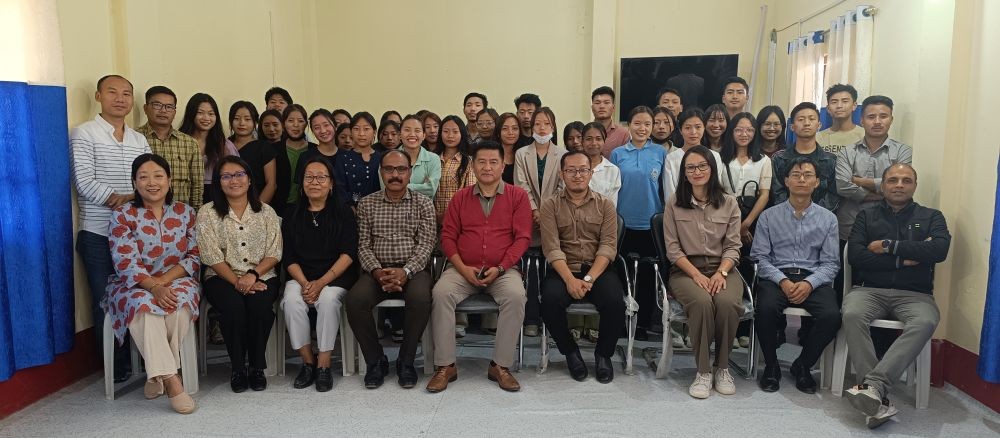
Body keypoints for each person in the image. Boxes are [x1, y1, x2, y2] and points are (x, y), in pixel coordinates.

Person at [843, 164, 951, 429]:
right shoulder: (867, 217)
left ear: (915, 185)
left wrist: (888, 246)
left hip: (915, 295)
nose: (899, 185)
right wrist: (906, 260)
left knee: (925, 321)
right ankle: (877, 394)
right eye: (893, 180)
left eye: (906, 180)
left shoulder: (931, 216)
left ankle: (873, 386)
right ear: (884, 185)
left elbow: (938, 250)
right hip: (869, 290)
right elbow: (857, 257)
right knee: (852, 313)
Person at [428, 142, 532, 393]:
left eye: (493, 162)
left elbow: (523, 238)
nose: (487, 167)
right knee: (441, 294)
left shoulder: (517, 196)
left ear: (502, 165)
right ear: (473, 165)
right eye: (481, 162)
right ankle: (446, 366)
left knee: (517, 296)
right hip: (463, 269)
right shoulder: (460, 197)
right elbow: (448, 238)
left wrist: (503, 267)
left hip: (503, 270)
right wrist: (462, 269)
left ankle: (500, 365)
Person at [71, 74, 152, 382]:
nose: (120, 98)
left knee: (137, 293)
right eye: (113, 92)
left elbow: (146, 179)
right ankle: (114, 365)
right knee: (105, 299)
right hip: (98, 232)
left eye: (126, 94)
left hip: (135, 234)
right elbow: (85, 182)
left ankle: (143, 359)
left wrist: (134, 196)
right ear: (98, 96)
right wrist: (129, 197)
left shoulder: (138, 140)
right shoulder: (84, 133)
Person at [106, 153, 199, 413]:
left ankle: (154, 374)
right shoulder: (122, 215)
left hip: (177, 278)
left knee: (179, 307)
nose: (152, 182)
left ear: (169, 180)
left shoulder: (186, 212)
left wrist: (164, 282)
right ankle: (172, 380)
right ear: (134, 182)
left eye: (158, 175)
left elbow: (195, 256)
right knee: (144, 308)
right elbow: (124, 261)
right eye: (143, 177)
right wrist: (152, 286)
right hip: (132, 284)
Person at [345, 150, 437, 389]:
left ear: (409, 172)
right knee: (355, 300)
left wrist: (405, 272)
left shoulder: (424, 204)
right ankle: (376, 361)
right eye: (389, 169)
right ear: (381, 172)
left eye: (401, 170)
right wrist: (377, 272)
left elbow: (426, 245)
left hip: (414, 271)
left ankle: (406, 362)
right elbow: (363, 245)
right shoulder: (367, 203)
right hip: (377, 271)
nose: (395, 175)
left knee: (420, 298)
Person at [751, 156, 841, 394]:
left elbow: (831, 263)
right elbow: (759, 257)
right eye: (796, 175)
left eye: (808, 175)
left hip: (813, 277)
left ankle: (803, 364)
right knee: (766, 308)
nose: (802, 179)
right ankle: (771, 366)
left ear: (817, 182)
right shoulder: (768, 216)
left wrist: (810, 284)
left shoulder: (828, 219)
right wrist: (782, 280)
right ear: (786, 181)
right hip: (776, 276)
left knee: (832, 315)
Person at [662, 146, 743, 399]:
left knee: (727, 303)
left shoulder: (729, 202)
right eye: (691, 168)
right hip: (686, 271)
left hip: (723, 269)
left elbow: (733, 246)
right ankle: (704, 371)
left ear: (712, 169)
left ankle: (723, 368)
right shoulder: (674, 203)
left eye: (702, 166)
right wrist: (696, 275)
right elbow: (673, 249)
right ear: (684, 173)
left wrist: (720, 273)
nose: (697, 172)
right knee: (701, 302)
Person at [197, 156, 282, 393]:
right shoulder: (207, 212)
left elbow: (275, 252)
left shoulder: (266, 212)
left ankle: (256, 367)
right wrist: (237, 281)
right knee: (233, 307)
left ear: (249, 179)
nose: (233, 180)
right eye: (226, 176)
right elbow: (211, 256)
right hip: (221, 276)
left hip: (262, 275)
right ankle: (237, 367)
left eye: (239, 175)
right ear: (218, 182)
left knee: (260, 306)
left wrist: (252, 276)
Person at [539, 151, 624, 383]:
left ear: (590, 172)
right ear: (562, 174)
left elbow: (607, 247)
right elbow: (552, 248)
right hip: (563, 268)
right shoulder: (549, 206)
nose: (577, 175)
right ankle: (571, 353)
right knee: (549, 301)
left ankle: (603, 355)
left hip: (597, 269)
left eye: (583, 170)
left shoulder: (605, 205)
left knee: (615, 301)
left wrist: (588, 280)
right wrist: (569, 279)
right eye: (571, 170)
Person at [282, 156, 358, 392]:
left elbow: (348, 253)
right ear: (302, 183)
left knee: (327, 300)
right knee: (291, 300)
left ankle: (324, 363)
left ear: (331, 183)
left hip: (336, 275)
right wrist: (306, 283)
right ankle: (307, 361)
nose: (315, 182)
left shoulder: (344, 213)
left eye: (321, 177)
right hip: (301, 275)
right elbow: (289, 257)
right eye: (309, 177)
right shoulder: (292, 214)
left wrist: (322, 283)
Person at [609, 106, 667, 339]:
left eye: (647, 124)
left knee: (647, 275)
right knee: (622, 274)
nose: (642, 128)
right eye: (637, 123)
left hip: (651, 224)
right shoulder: (617, 153)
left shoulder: (660, 152)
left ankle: (643, 324)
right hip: (623, 223)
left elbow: (665, 187)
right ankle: (622, 322)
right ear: (629, 126)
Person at [514, 107, 566, 336]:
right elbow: (521, 185)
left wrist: (545, 212)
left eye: (546, 123)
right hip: (528, 218)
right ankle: (531, 319)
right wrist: (534, 210)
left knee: (553, 267)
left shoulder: (563, 154)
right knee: (530, 269)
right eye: (537, 124)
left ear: (553, 127)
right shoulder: (521, 153)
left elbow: (562, 187)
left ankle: (551, 318)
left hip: (555, 218)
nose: (541, 128)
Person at [835, 95, 913, 247]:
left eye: (883, 116)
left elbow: (901, 186)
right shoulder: (847, 152)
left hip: (891, 226)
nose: (877, 121)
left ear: (891, 119)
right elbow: (842, 186)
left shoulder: (903, 151)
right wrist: (882, 193)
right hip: (849, 227)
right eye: (871, 117)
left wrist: (860, 181)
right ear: (862, 121)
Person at [138, 86, 203, 208]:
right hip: (142, 216)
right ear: (145, 108)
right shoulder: (134, 138)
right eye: (157, 105)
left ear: (174, 112)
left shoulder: (189, 143)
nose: (163, 110)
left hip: (181, 216)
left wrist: (196, 214)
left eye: (169, 107)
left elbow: (197, 186)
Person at [771, 102, 839, 211]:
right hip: (785, 220)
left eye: (811, 119)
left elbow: (833, 195)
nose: (806, 123)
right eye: (801, 119)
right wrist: (793, 213)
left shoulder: (831, 160)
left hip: (820, 221)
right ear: (792, 127)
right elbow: (777, 193)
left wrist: (811, 215)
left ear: (819, 125)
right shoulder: (778, 159)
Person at [179, 93, 240, 203]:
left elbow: (236, 174)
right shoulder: (179, 141)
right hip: (184, 194)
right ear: (191, 114)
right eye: (200, 113)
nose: (206, 118)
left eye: (211, 114)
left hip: (216, 194)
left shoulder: (225, 145)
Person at [664, 108, 726, 203]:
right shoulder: (671, 158)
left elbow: (716, 187)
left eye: (698, 127)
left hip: (709, 209)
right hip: (680, 209)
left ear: (704, 128)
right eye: (687, 128)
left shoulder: (714, 156)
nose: (693, 132)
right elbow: (669, 192)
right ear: (680, 130)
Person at [229, 101, 277, 204]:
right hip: (228, 205)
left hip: (257, 205)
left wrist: (256, 208)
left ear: (255, 122)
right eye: (237, 119)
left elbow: (271, 184)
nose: (242, 123)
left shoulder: (264, 147)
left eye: (247, 119)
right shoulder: (224, 145)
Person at [271, 104, 315, 216]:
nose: (296, 125)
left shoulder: (315, 150)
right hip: (279, 208)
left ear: (306, 124)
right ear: (283, 124)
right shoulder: (273, 149)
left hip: (309, 207)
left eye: (300, 121)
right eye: (290, 120)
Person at [433, 115, 476, 224]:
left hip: (458, 220)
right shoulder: (432, 159)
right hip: (431, 218)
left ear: (462, 134)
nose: (450, 136)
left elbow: (470, 195)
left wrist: (449, 215)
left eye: (455, 132)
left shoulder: (469, 162)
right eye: (446, 131)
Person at [335, 112, 383, 206]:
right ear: (351, 131)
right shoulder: (342, 159)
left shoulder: (382, 158)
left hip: (380, 211)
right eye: (356, 129)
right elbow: (339, 189)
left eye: (366, 129)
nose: (361, 134)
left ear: (374, 132)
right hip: (350, 212)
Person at [396, 114, 441, 199]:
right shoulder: (389, 159)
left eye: (417, 130)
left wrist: (403, 187)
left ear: (424, 135)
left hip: (423, 211)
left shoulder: (433, 159)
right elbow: (388, 190)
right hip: (395, 211)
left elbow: (431, 189)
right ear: (400, 135)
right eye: (407, 130)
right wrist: (422, 186)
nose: (412, 134)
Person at [295, 109, 342, 185]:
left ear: (335, 126)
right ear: (313, 132)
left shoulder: (347, 156)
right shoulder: (306, 157)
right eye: (317, 128)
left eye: (326, 125)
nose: (323, 131)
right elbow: (301, 188)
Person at [817, 83, 864, 156]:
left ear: (854, 106)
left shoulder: (865, 136)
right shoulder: (817, 138)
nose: (839, 106)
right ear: (828, 109)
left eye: (845, 101)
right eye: (834, 102)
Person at [581, 122, 621, 204]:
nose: (594, 143)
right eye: (589, 139)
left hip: (602, 216)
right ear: (582, 141)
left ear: (604, 141)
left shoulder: (612, 170)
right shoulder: (572, 167)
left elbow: (612, 204)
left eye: (598, 139)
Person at [590, 86, 630, 155]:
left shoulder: (623, 134)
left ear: (613, 108)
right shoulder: (585, 132)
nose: (602, 106)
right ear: (592, 108)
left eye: (606, 102)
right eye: (597, 103)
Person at [497, 112, 521, 184]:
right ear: (498, 132)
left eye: (515, 128)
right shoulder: (492, 154)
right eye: (505, 128)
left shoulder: (523, 154)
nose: (510, 132)